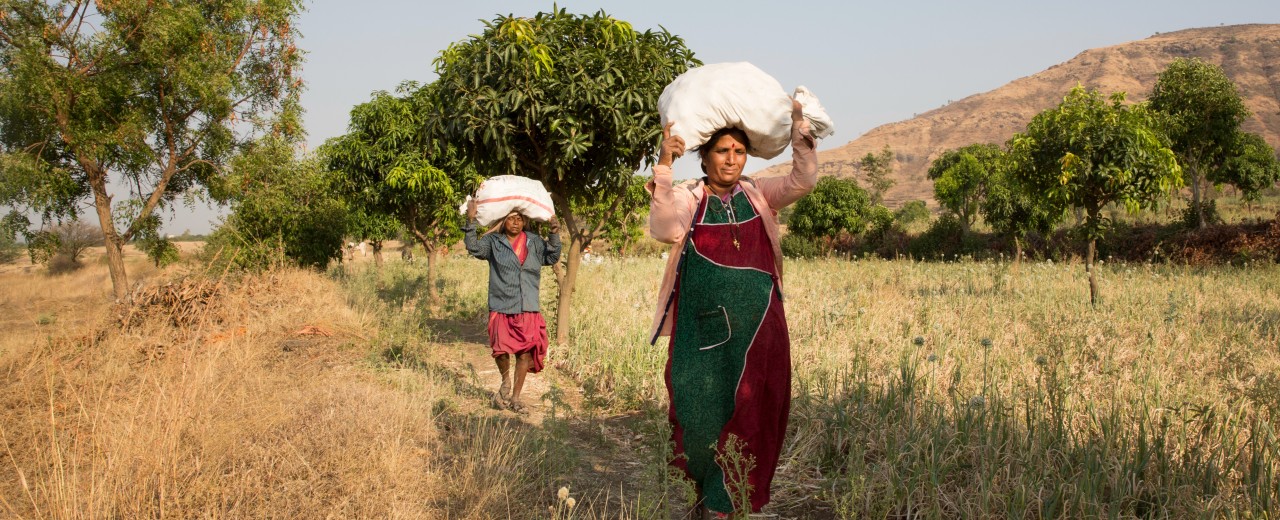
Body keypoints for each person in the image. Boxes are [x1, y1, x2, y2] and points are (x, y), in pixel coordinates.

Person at [646, 99, 816, 517]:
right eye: (722, 151)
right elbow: (665, 229)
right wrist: (664, 166)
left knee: (754, 410)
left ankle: (727, 501)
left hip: (759, 330)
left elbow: (803, 180)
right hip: (703, 333)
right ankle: (703, 495)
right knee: (699, 413)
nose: (731, 159)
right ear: (704, 156)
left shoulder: (759, 193)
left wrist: (800, 132)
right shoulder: (690, 197)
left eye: (739, 152)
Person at [463, 201, 561, 413]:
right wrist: (470, 221)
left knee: (524, 353)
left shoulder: (534, 241)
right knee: (501, 349)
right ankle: (505, 381)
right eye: (510, 218)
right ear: (503, 221)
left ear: (524, 221)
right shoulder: (493, 242)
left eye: (519, 219)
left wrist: (554, 234)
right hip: (502, 303)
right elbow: (474, 249)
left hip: (528, 304)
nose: (515, 223)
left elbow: (552, 257)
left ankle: (516, 398)